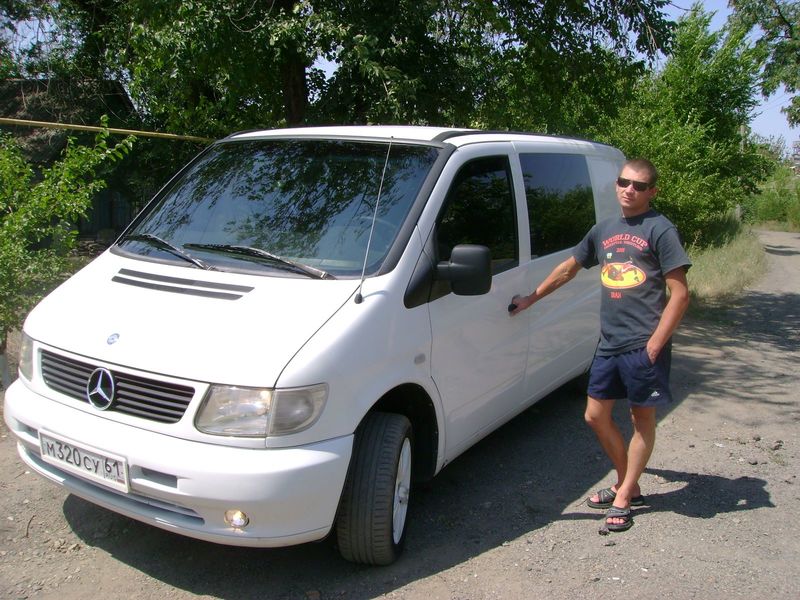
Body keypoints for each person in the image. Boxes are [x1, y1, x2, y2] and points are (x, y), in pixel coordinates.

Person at [511, 158, 691, 534]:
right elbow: (569, 268)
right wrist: (532, 298)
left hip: (644, 343)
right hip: (610, 341)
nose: (629, 189)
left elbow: (680, 294)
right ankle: (629, 483)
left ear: (652, 192)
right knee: (594, 416)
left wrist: (656, 344)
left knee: (640, 420)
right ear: (616, 184)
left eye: (639, 185)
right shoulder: (604, 229)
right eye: (624, 182)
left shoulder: (661, 229)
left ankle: (623, 494)